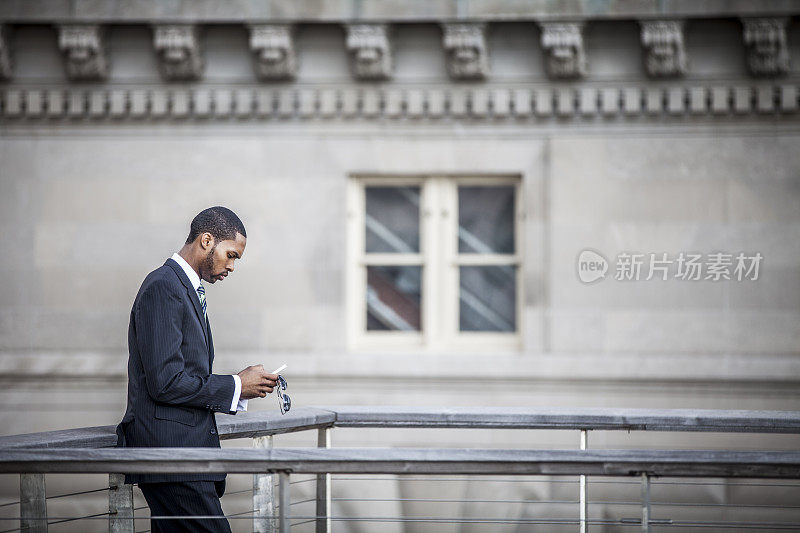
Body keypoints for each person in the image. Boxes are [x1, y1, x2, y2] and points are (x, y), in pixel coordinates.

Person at [116, 206, 278, 533]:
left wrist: (240, 385)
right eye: (230, 255)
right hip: (172, 460)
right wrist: (235, 386)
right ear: (206, 241)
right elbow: (166, 382)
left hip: (182, 458)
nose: (231, 266)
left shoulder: (185, 289)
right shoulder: (163, 287)